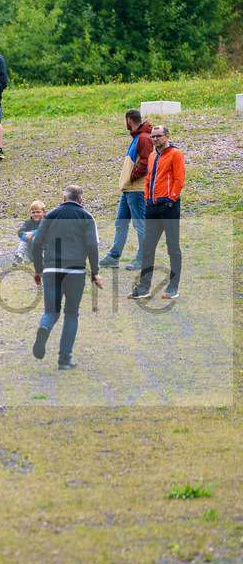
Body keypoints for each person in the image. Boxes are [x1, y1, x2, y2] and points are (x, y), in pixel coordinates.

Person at [31, 185, 103, 369]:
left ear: (64, 198)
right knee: (71, 314)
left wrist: (38, 270)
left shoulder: (50, 216)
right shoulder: (87, 218)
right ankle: (64, 359)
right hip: (76, 272)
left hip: (51, 270)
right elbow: (92, 245)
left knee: (51, 312)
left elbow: (37, 243)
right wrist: (95, 272)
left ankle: (45, 328)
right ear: (81, 200)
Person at [127, 125, 185, 300]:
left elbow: (179, 179)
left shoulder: (176, 154)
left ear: (167, 136)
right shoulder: (152, 156)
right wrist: (147, 199)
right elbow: (148, 179)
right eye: (153, 137)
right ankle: (144, 287)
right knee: (147, 247)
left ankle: (173, 287)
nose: (155, 139)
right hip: (152, 207)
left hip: (168, 207)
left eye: (158, 136)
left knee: (173, 247)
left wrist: (171, 200)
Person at [99, 109, 152, 271]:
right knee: (121, 222)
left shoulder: (143, 138)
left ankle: (143, 258)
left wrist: (132, 177)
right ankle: (114, 257)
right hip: (129, 189)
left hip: (136, 189)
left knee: (140, 224)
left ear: (129, 120)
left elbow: (146, 162)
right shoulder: (138, 137)